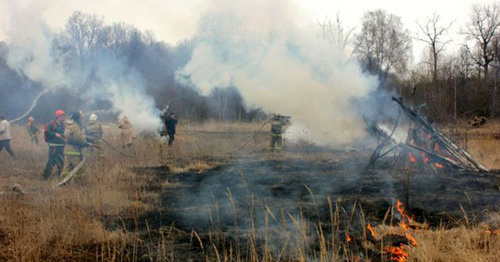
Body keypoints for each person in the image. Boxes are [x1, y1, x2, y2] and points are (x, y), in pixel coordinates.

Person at [61, 111, 87, 180]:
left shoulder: (68, 125)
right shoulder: (75, 126)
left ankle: (64, 182)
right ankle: (80, 183)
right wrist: (84, 143)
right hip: (75, 151)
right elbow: (78, 138)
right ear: (77, 118)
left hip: (67, 150)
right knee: (78, 169)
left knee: (67, 168)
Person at [42, 110, 66, 180]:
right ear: (57, 117)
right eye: (62, 117)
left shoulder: (63, 125)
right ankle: (45, 177)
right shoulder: (51, 124)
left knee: (61, 161)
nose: (63, 118)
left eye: (64, 117)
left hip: (61, 146)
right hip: (54, 146)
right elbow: (47, 132)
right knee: (51, 161)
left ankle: (60, 175)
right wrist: (55, 134)